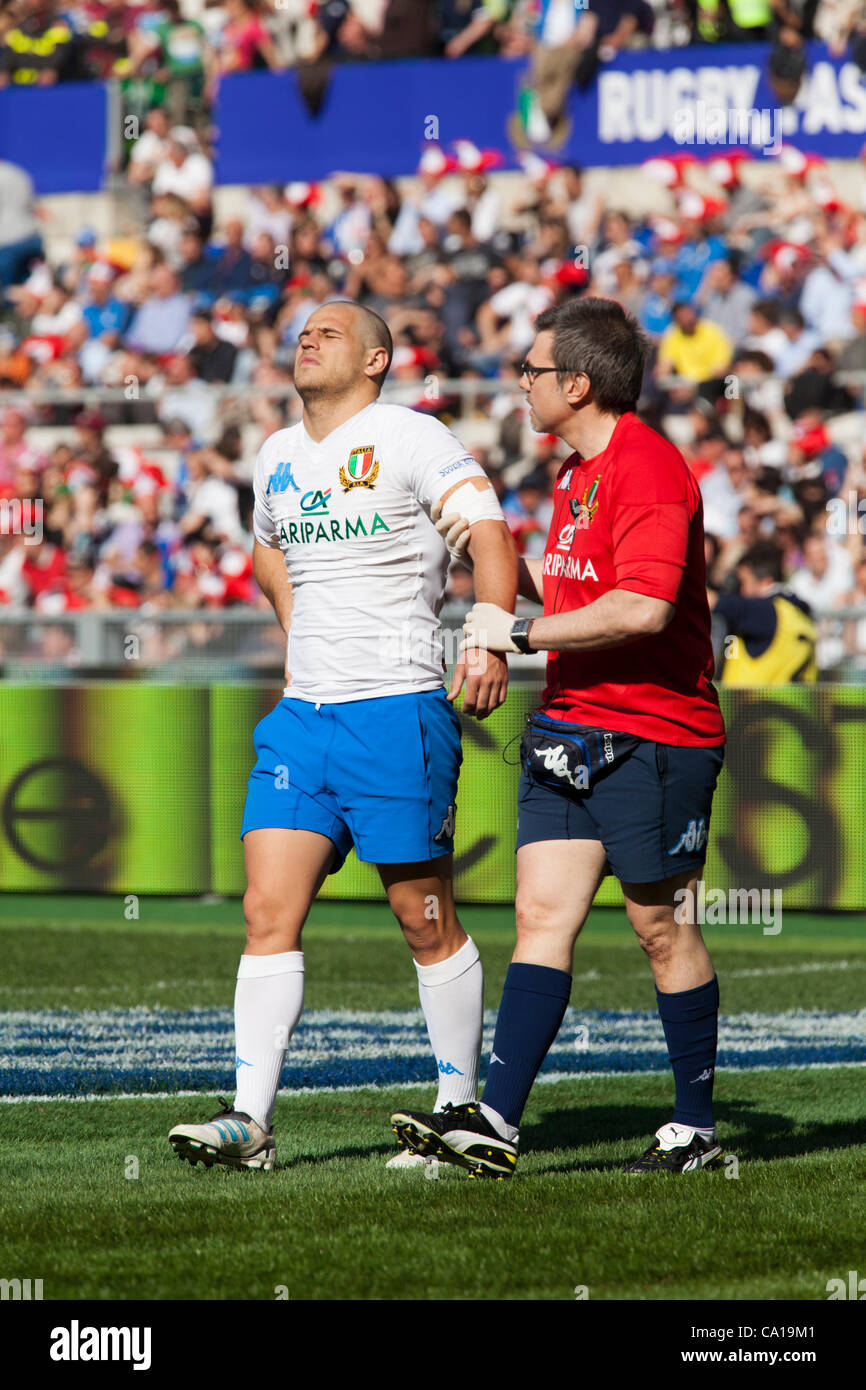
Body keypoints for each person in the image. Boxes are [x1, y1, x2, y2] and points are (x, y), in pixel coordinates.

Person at [168, 299, 518, 1172]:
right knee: (264, 912)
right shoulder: (277, 454)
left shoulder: (411, 436)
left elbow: (489, 531)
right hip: (303, 723)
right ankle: (250, 1121)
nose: (308, 338)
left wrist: (486, 634)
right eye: (302, 331)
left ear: (375, 360)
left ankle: (457, 1110)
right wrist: (300, 640)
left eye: (331, 331)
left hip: (397, 708)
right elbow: (267, 552)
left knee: (422, 916)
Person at [391, 296, 727, 1178]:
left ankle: (694, 1126)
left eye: (532, 372)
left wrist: (518, 635)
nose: (522, 385)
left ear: (577, 384)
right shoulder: (575, 474)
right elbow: (571, 585)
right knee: (541, 917)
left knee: (661, 928)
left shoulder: (647, 468)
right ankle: (495, 1122)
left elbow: (645, 608)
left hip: (654, 732)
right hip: (570, 724)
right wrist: (483, 551)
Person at [711, 541, 816, 685]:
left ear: (766, 581)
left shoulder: (765, 611)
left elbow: (711, 601)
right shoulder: (794, 611)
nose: (740, 591)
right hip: (795, 703)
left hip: (759, 703)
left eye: (743, 582)